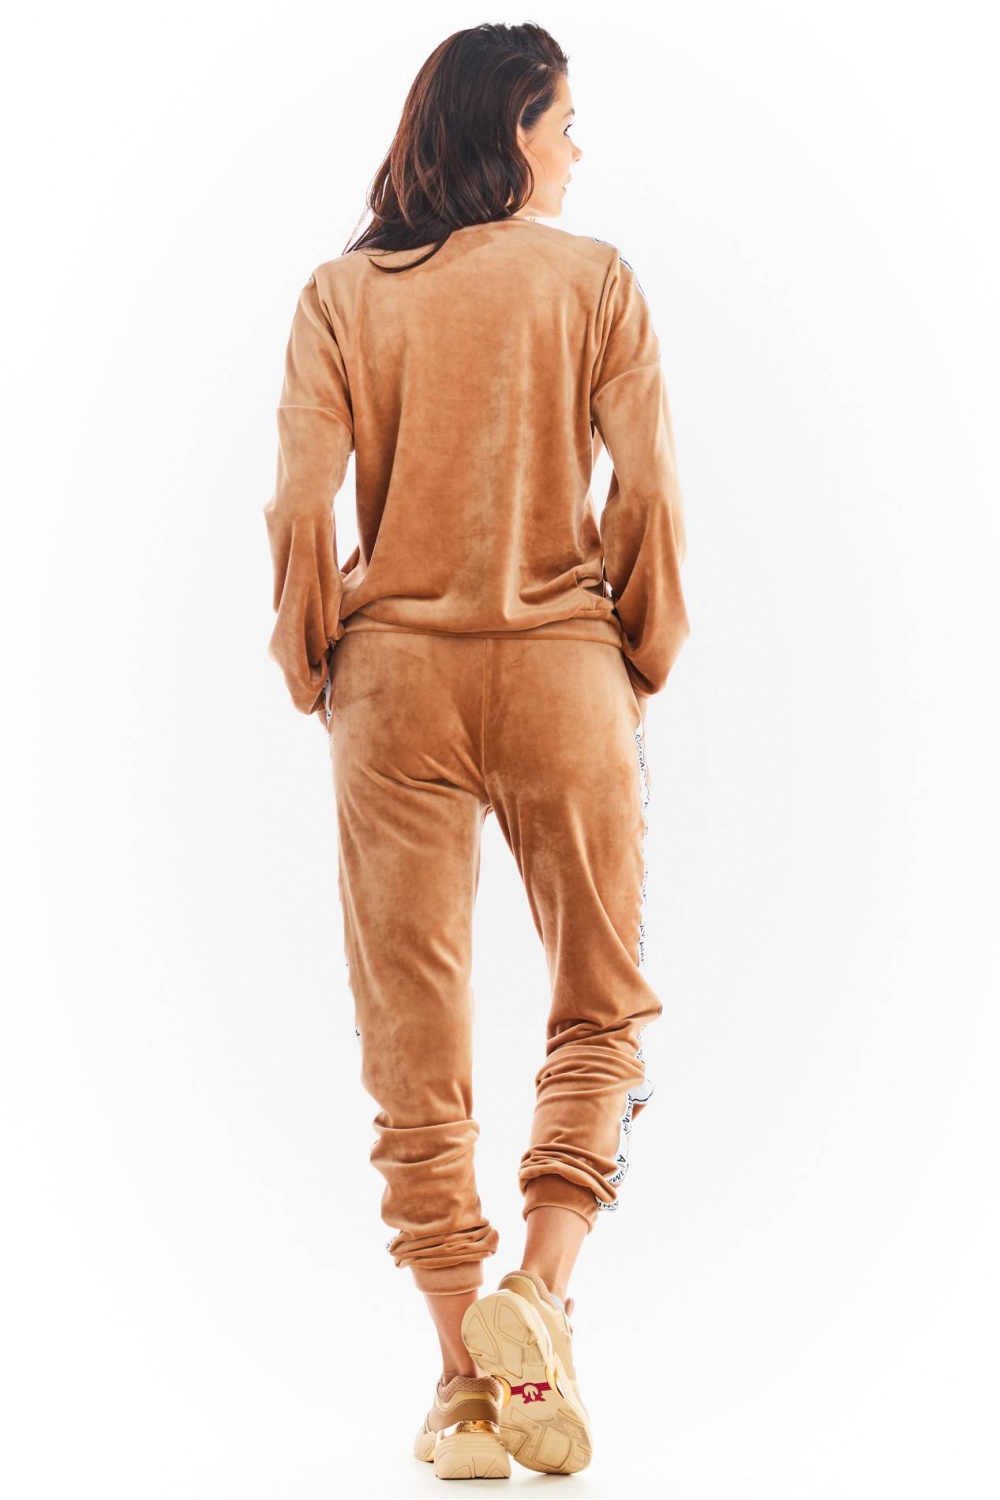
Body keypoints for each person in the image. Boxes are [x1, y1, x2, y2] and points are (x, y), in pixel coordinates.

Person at [262, 21, 690, 1481]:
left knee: (413, 1035)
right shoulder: (597, 280)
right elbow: (650, 494)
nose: (577, 148)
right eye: (565, 122)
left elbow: (299, 509)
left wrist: (315, 657)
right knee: (602, 1001)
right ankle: (541, 1297)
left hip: (394, 684)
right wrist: (637, 651)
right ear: (514, 128)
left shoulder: (339, 297)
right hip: (564, 667)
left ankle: (463, 1387)